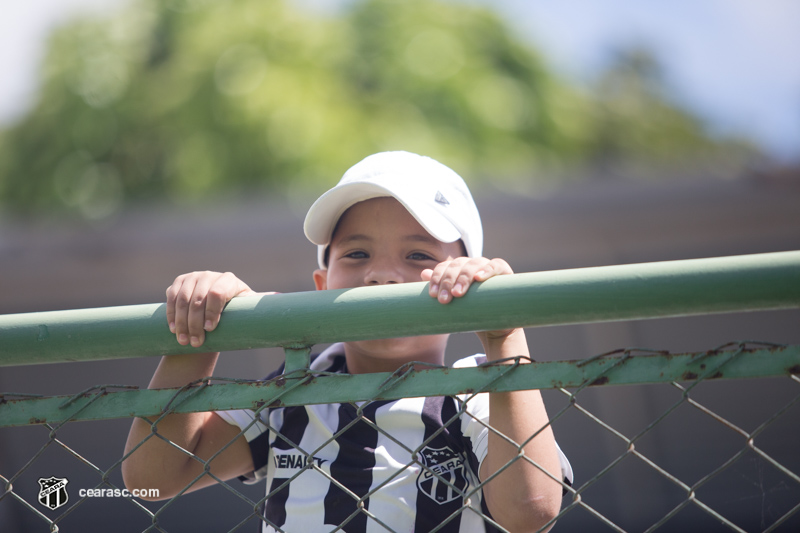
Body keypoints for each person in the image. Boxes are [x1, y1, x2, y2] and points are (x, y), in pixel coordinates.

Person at [123, 151, 573, 532]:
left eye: (419, 255)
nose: (381, 274)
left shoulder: (479, 393)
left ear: (470, 284)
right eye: (357, 254)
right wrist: (197, 331)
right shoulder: (296, 386)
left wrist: (504, 334)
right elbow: (154, 479)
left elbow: (531, 512)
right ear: (323, 286)